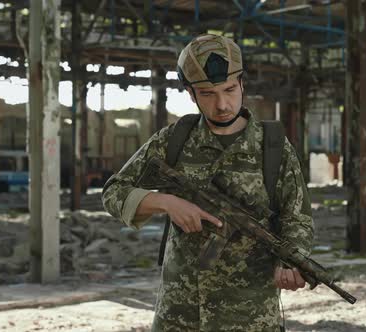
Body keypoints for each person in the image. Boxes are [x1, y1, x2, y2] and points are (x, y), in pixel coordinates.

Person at [102, 34, 313, 331]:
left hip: (249, 315)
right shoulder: (173, 141)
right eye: (207, 94)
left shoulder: (273, 147)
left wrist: (293, 260)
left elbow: (298, 218)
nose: (223, 104)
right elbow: (113, 192)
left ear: (242, 83)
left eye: (229, 89)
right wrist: (165, 202)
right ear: (190, 94)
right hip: (179, 315)